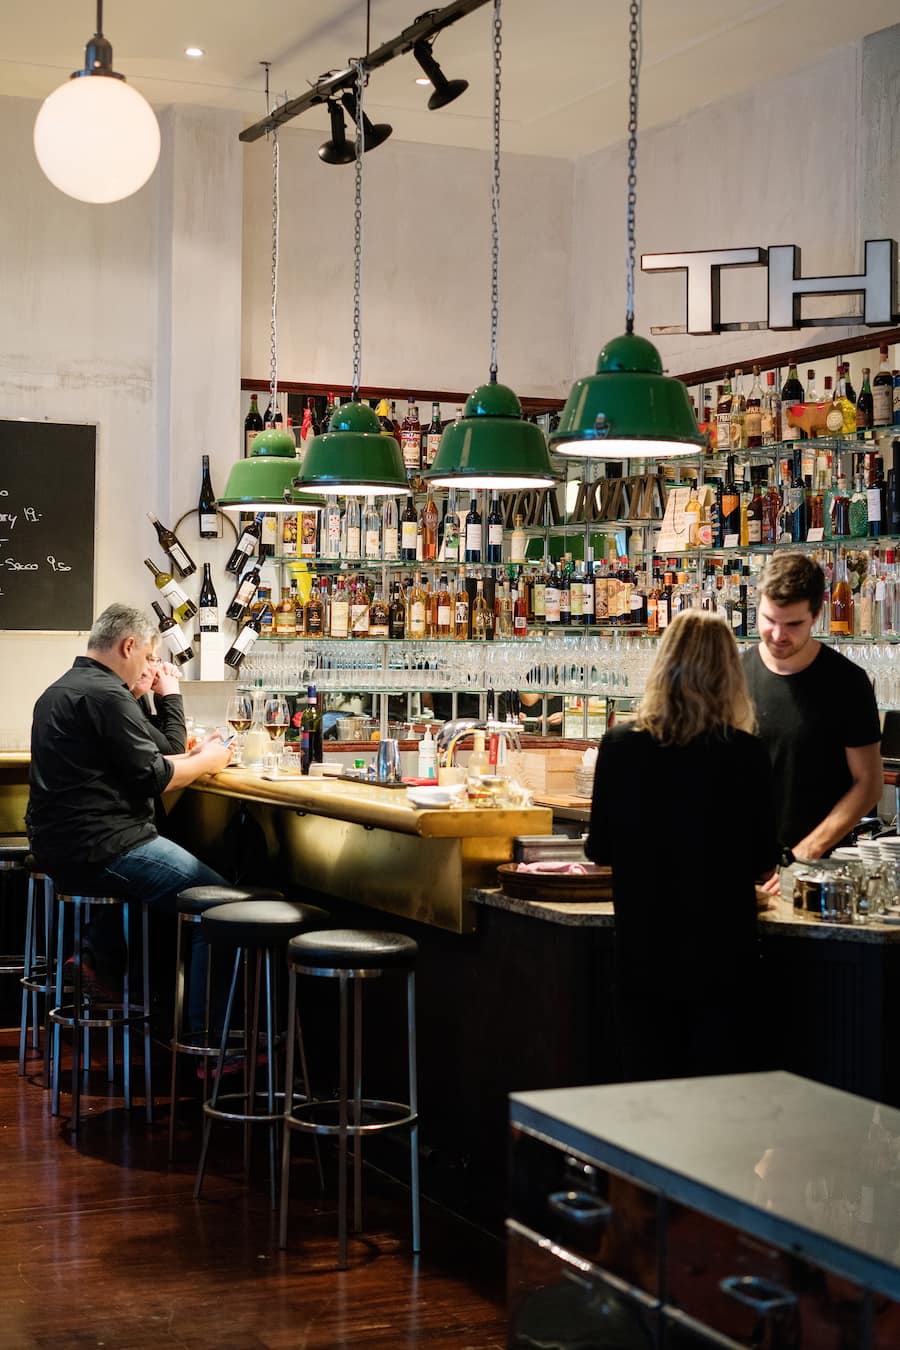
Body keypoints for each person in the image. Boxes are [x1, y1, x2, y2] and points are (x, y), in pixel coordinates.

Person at [586, 610, 778, 1082]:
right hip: (722, 960)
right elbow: (762, 861)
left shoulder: (619, 744)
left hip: (642, 957)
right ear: (729, 675)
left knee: (648, 1097)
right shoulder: (747, 753)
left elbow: (600, 850)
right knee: (715, 1108)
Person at [27, 604, 232, 1021]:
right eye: (148, 655)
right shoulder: (108, 695)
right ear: (129, 644)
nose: (149, 666)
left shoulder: (57, 691)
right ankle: (212, 1046)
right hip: (107, 847)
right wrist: (211, 759)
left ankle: (104, 964)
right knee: (222, 907)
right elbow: (155, 777)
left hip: (59, 848)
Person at [743, 552, 882, 878]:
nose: (778, 635)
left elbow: (869, 784)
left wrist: (803, 854)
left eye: (793, 624)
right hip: (739, 863)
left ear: (816, 614)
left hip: (816, 868)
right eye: (768, 620)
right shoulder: (732, 674)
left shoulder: (846, 682)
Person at [131, 657, 186, 755]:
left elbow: (159, 736)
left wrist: (162, 693)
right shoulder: (120, 699)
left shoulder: (140, 696)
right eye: (149, 658)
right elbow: (174, 751)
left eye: (153, 660)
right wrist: (171, 693)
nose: (148, 668)